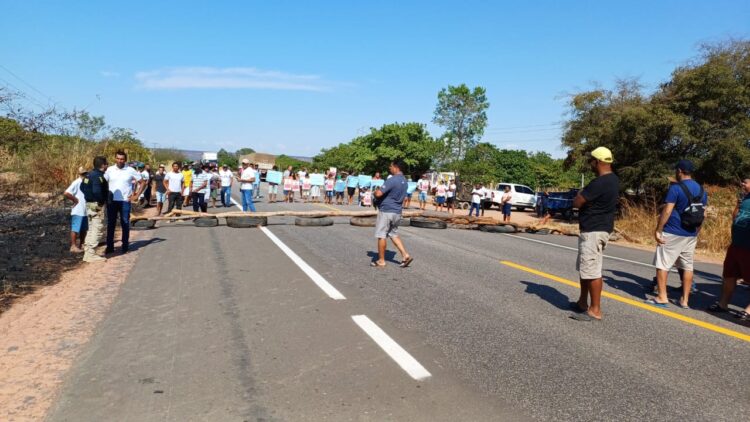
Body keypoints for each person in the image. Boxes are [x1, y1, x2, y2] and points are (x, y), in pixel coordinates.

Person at [649, 160, 708, 308]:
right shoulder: (701, 190)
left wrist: (659, 229)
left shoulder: (676, 188)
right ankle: (685, 300)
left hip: (673, 231)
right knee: (687, 266)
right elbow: (703, 213)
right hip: (690, 234)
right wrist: (697, 231)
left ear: (680, 171)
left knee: (662, 264)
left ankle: (662, 297)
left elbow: (667, 210)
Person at [570, 147, 620, 322]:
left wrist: (580, 194)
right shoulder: (613, 180)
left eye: (591, 161)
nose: (590, 164)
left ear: (597, 162)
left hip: (593, 231)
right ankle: (582, 302)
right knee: (586, 269)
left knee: (592, 271)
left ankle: (595, 309)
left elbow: (577, 202)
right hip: (599, 229)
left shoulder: (599, 183)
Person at [707, 176, 750, 317]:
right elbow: (735, 218)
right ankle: (723, 304)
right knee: (729, 275)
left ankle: (748, 311)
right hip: (736, 244)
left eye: (745, 182)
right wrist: (739, 203)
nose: (742, 184)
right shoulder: (744, 198)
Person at [371, 160, 413, 268]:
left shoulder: (392, 180)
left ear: (396, 167)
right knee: (393, 234)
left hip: (386, 211)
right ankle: (405, 255)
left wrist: (374, 192)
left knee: (381, 235)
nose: (390, 168)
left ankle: (381, 260)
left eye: (391, 166)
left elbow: (379, 193)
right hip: (397, 211)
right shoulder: (405, 181)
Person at [104, 150, 145, 254]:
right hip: (112, 201)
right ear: (115, 158)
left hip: (125, 201)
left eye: (122, 159)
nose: (120, 160)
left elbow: (142, 182)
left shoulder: (130, 170)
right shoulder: (109, 170)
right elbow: (103, 182)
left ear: (125, 160)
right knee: (111, 223)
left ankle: (125, 246)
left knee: (125, 223)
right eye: (118, 158)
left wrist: (136, 195)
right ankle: (109, 247)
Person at [80, 156, 108, 262]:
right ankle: (91, 254)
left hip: (89, 205)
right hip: (96, 205)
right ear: (103, 165)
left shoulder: (88, 175)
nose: (107, 166)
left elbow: (82, 187)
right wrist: (101, 201)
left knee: (91, 229)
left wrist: (89, 196)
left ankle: (87, 253)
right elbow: (97, 191)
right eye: (106, 164)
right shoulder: (98, 176)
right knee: (97, 229)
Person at [63, 167, 88, 253]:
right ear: (79, 174)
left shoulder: (86, 182)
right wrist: (75, 199)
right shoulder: (76, 182)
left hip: (85, 209)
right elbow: (66, 193)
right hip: (78, 209)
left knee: (84, 228)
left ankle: (82, 244)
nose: (84, 175)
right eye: (83, 174)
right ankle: (73, 245)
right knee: (75, 228)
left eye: (85, 173)